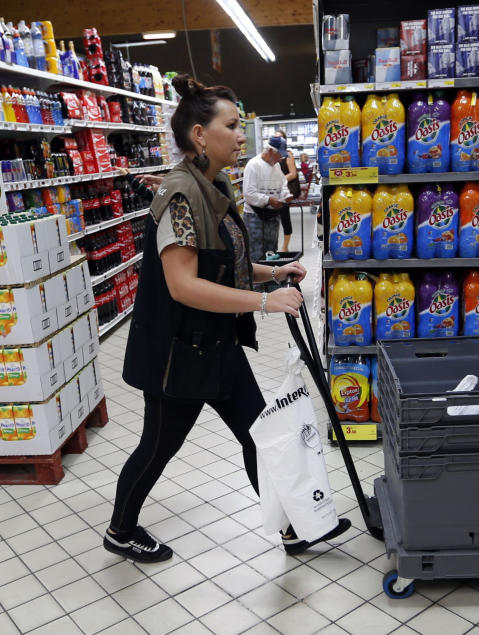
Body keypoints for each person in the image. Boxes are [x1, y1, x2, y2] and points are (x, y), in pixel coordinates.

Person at [105, 74, 350, 564]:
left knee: (260, 433)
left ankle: (292, 527)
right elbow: (184, 284)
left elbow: (223, 263)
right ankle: (121, 530)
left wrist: (271, 273)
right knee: (156, 447)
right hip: (180, 353)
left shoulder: (213, 186)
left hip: (216, 345)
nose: (243, 136)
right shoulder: (181, 196)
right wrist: (264, 302)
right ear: (200, 135)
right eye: (233, 125)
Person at [243, 136, 289, 274]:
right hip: (254, 217)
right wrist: (269, 200)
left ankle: (270, 284)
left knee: (271, 253)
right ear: (270, 150)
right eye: (278, 154)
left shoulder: (277, 166)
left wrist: (286, 196)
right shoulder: (253, 165)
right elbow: (249, 193)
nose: (280, 158)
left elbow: (283, 185)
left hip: (272, 216)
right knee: (256, 254)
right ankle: (256, 290)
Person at [273, 130, 300, 253]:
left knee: (284, 218)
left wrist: (279, 180)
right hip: (272, 191)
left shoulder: (288, 154)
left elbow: (293, 174)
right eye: (274, 137)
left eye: (279, 137)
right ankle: (273, 243)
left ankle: (285, 246)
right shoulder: (271, 155)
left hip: (284, 191)